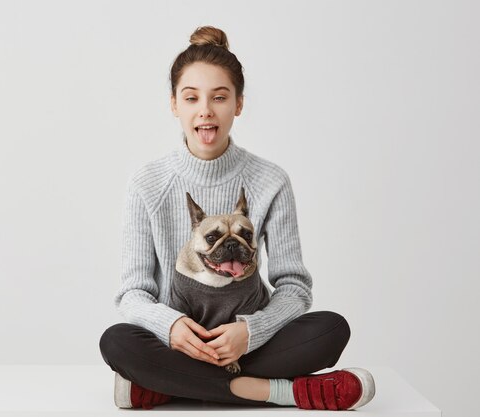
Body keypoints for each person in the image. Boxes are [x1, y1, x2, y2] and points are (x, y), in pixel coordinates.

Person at [99, 25, 376, 411]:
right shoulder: (148, 182)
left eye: (220, 97)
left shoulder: (270, 181)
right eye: (191, 97)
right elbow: (133, 293)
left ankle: (167, 387)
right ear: (174, 104)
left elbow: (294, 286)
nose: (205, 110)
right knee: (116, 341)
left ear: (239, 104)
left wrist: (251, 331)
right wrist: (172, 327)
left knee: (331, 329)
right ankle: (284, 392)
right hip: (179, 344)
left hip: (250, 342)